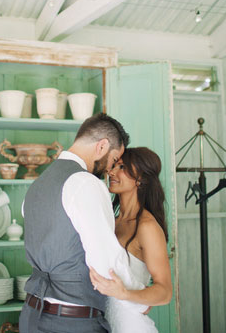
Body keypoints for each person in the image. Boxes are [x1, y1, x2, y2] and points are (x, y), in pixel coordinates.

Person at [20, 113, 147, 333]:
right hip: (70, 322)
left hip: (31, 315)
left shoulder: (37, 185)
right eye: (114, 159)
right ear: (102, 146)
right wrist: (139, 299)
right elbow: (106, 261)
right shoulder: (85, 183)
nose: (110, 169)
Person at [89, 147, 172, 333]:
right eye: (114, 166)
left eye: (122, 167)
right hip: (103, 325)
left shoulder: (147, 227)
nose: (111, 172)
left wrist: (125, 293)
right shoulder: (111, 221)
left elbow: (165, 292)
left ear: (141, 178)